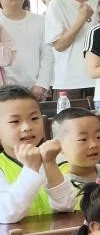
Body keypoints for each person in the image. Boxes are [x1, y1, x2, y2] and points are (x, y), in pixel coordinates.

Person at [0, 86, 74, 220]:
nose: (27, 127)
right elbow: (7, 214)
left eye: (34, 118)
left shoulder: (52, 157)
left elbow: (67, 206)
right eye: (15, 121)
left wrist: (50, 163)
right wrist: (31, 169)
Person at [44, 0, 99, 98]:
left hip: (99, 78)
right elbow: (59, 45)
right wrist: (81, 19)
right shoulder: (57, 5)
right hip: (69, 81)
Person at [0, 0, 51, 98]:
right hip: (3, 88)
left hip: (34, 88)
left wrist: (41, 84)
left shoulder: (40, 20)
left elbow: (48, 54)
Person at [53, 107, 100, 190]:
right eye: (83, 139)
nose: (94, 144)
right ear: (59, 146)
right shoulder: (57, 186)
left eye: (98, 137)